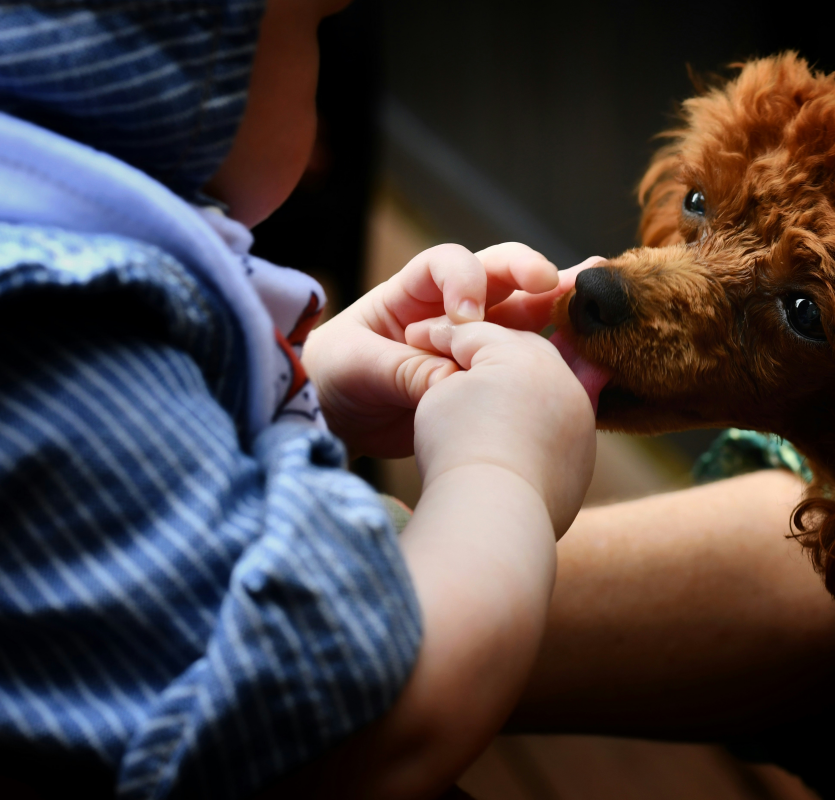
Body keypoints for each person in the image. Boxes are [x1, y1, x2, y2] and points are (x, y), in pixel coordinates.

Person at [0, 2, 597, 798]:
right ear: (175, 62)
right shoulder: (60, 330)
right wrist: (503, 470)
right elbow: (367, 734)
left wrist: (305, 382)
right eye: (310, 27)